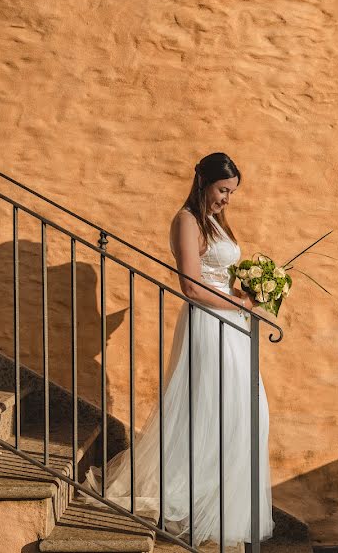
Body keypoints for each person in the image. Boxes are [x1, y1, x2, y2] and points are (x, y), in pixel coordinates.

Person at [84, 152, 275, 548]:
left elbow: (219, 278)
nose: (227, 199)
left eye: (232, 193)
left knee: (245, 410)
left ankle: (214, 503)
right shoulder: (186, 221)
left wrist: (252, 291)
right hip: (207, 324)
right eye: (223, 190)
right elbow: (190, 285)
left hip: (231, 324)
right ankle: (185, 501)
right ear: (203, 182)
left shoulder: (216, 221)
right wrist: (239, 304)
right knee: (210, 409)